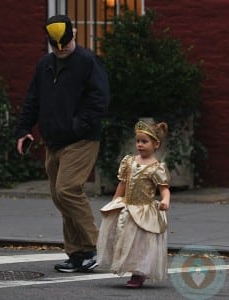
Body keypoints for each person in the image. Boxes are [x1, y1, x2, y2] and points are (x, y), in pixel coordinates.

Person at [14, 14, 110, 273]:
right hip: (54, 142)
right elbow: (33, 99)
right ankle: (77, 254)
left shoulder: (88, 62)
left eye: (66, 43)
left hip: (81, 140)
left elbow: (99, 99)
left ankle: (95, 245)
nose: (62, 49)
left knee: (67, 189)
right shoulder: (44, 64)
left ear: (74, 34)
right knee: (60, 196)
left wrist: (77, 125)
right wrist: (24, 130)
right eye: (57, 45)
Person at [97, 120, 170, 288]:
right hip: (127, 208)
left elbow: (164, 189)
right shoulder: (128, 162)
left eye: (144, 141)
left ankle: (139, 273)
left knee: (140, 243)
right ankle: (127, 266)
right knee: (124, 239)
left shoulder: (156, 168)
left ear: (156, 144)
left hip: (144, 210)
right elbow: (123, 183)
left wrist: (165, 200)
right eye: (138, 141)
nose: (140, 145)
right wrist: (115, 200)